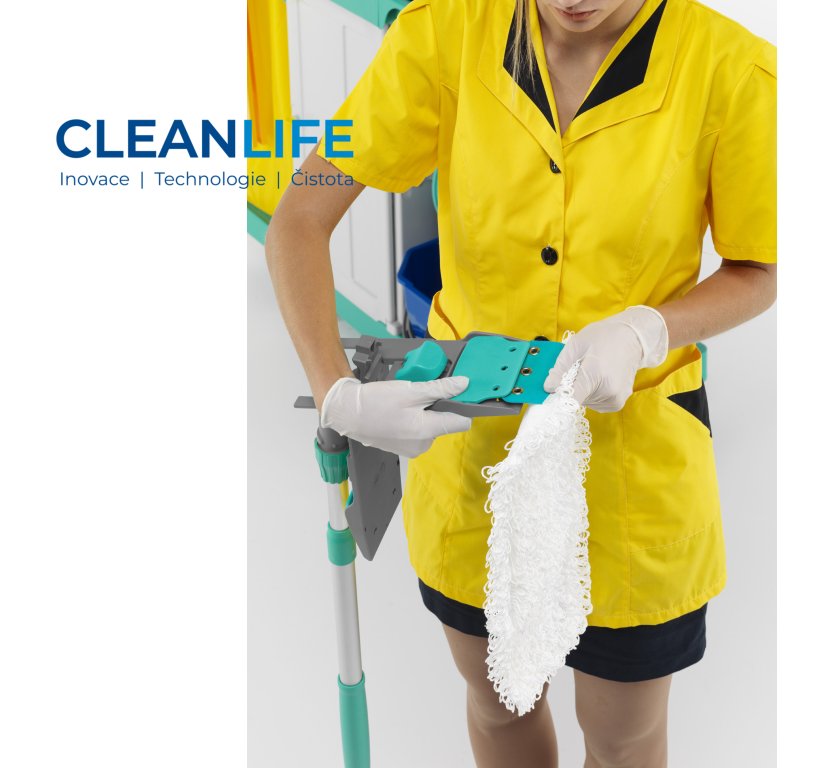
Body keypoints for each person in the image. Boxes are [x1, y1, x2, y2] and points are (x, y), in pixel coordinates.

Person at [265, 0, 776, 765]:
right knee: (500, 704)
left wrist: (648, 329)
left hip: (633, 473)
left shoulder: (732, 69)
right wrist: (338, 391)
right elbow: (299, 219)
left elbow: (757, 268)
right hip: (477, 461)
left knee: (623, 737)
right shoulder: (443, 35)